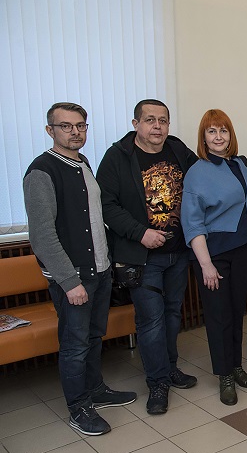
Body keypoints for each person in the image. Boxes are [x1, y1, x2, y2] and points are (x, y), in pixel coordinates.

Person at [24, 102, 136, 435]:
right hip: (73, 277)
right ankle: (78, 408)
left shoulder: (83, 163)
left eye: (80, 126)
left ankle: (95, 390)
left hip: (99, 271)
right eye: (66, 126)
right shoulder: (42, 171)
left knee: (93, 336)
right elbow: (42, 236)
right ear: (50, 130)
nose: (75, 132)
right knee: (74, 345)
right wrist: (69, 281)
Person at [97, 99, 198, 415]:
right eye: (150, 120)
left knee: (172, 314)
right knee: (151, 321)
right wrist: (140, 233)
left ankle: (170, 368)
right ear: (136, 124)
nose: (157, 126)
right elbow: (107, 205)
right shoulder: (117, 157)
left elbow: (202, 179)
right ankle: (157, 383)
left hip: (178, 252)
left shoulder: (178, 149)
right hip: (142, 257)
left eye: (163, 120)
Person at [182, 109, 247, 406]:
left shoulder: (242, 164)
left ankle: (235, 365)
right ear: (203, 137)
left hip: (244, 250)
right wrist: (206, 265)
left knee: (237, 313)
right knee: (219, 317)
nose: (218, 137)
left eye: (223, 131)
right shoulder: (197, 172)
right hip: (213, 255)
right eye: (211, 131)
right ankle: (224, 375)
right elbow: (192, 223)